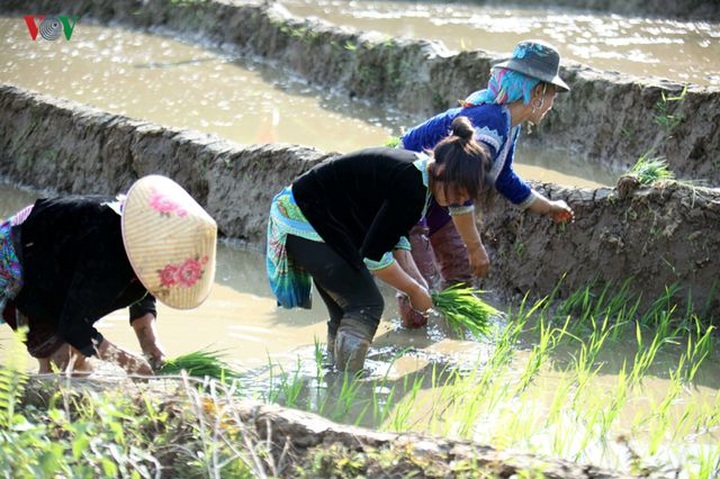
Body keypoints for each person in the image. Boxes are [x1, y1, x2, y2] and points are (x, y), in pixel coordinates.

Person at [266, 116, 493, 373]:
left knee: (347, 311)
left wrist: (420, 286)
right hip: (305, 220)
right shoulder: (412, 184)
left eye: (466, 197)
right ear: (443, 172)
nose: (460, 200)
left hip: (317, 221)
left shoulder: (421, 176)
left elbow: (395, 238)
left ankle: (334, 380)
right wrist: (414, 291)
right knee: (367, 305)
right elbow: (375, 258)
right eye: (460, 191)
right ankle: (348, 383)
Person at [397, 39, 575, 327]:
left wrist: (548, 206)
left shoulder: (506, 125)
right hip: (409, 191)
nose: (552, 105)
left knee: (458, 269)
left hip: (439, 196)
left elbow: (503, 177)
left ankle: (451, 332)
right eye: (553, 94)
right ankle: (411, 339)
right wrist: (475, 246)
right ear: (538, 92)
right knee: (420, 279)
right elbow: (457, 186)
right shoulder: (489, 122)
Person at [0, 175, 217, 375]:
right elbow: (74, 326)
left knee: (74, 361)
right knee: (69, 362)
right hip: (17, 257)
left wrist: (151, 348)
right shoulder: (107, 248)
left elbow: (144, 290)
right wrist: (130, 363)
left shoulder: (141, 248)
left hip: (54, 266)